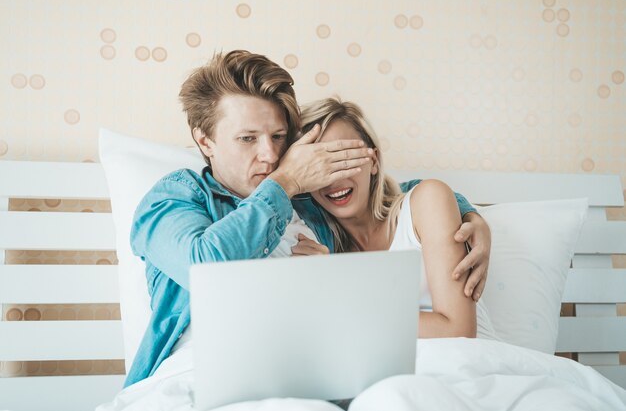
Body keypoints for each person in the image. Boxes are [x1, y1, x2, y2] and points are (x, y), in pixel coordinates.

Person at [125, 50, 491, 387]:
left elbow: (379, 193)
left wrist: (468, 212)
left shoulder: (308, 203)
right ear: (205, 141)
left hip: (314, 371)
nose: (269, 155)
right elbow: (205, 267)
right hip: (199, 373)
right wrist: (285, 181)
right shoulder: (174, 199)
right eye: (248, 138)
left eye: (278, 136)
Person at [299, 97, 482, 338]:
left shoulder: (426, 201)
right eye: (319, 167)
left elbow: (459, 330)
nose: (334, 180)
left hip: (461, 364)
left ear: (373, 161)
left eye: (345, 158)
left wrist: (340, 298)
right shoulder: (312, 239)